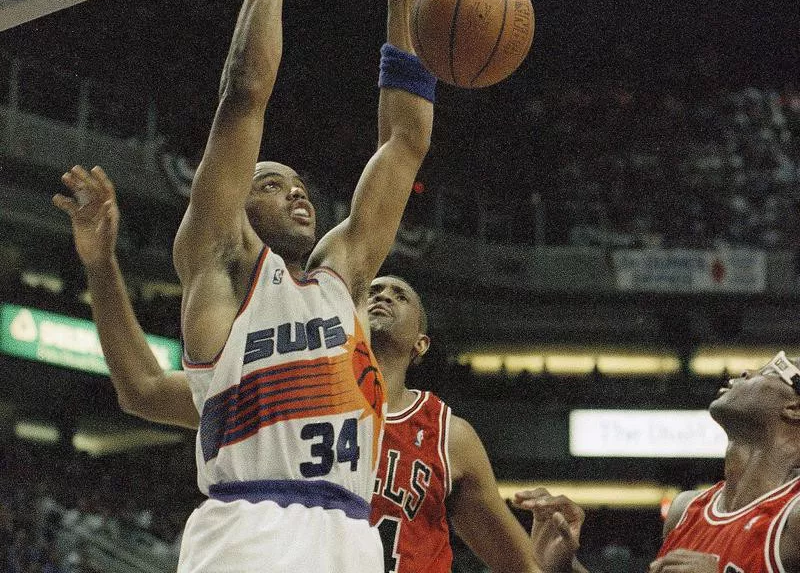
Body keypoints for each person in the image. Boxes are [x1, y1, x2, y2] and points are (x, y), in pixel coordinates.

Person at [56, 0, 435, 573]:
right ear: (239, 203)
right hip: (251, 528)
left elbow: (405, 141)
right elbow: (244, 96)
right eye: (270, 183)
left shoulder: (342, 277)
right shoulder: (224, 265)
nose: (295, 194)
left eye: (301, 187)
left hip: (348, 532)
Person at [56, 165, 580, 573]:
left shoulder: (448, 435)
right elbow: (143, 389)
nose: (380, 294)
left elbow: (523, 567)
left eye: (399, 293)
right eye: (373, 287)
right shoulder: (278, 383)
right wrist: (101, 266)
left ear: (422, 343)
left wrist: (552, 558)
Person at [518, 352, 800, 573]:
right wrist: (565, 568)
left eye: (769, 371)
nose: (745, 372)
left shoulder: (794, 515)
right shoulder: (686, 509)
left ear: (795, 408)